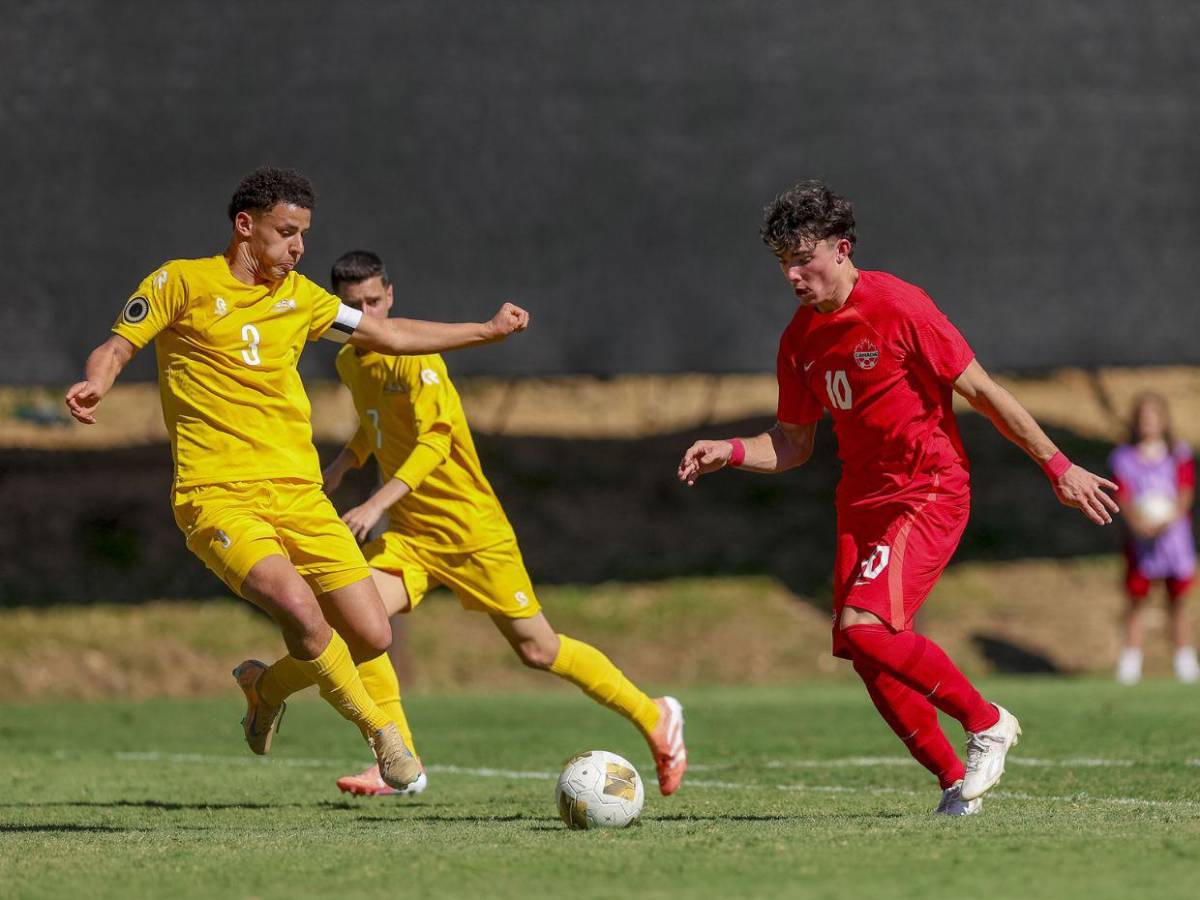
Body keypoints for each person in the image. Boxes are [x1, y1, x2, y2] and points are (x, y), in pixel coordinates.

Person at [65, 168, 529, 789]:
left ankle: (265, 686)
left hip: (299, 495)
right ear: (245, 226)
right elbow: (117, 345)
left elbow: (388, 333)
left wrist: (485, 331)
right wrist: (99, 381)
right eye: (287, 233)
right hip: (218, 497)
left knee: (371, 632)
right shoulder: (180, 282)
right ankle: (383, 737)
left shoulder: (303, 298)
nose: (298, 248)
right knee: (301, 612)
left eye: (304, 235)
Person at [677, 180, 1118, 815]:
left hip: (928, 489)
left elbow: (985, 392)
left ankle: (988, 720)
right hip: (861, 502)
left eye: (804, 260)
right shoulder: (798, 341)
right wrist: (733, 450)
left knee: (867, 626)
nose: (794, 276)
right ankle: (954, 789)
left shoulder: (900, 306)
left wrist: (1058, 465)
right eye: (784, 265)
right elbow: (793, 445)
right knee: (865, 650)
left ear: (842, 248)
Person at [320, 250, 687, 798]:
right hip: (414, 538)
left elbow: (434, 442)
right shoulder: (351, 361)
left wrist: (375, 504)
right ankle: (401, 763)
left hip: (472, 533)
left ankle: (654, 714)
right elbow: (377, 427)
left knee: (538, 650)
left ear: (391, 295)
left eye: (375, 301)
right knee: (357, 623)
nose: (368, 315)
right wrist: (342, 465)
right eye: (354, 307)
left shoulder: (418, 360)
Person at [1109, 393, 1197, 684]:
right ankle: (1130, 662)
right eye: (1143, 417)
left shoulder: (1178, 453)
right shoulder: (1123, 457)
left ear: (1164, 420)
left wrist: (1170, 518)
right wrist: (1138, 523)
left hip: (1175, 540)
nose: (1149, 423)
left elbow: (1185, 491)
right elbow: (1123, 493)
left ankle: (1184, 659)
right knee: (1137, 600)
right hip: (1141, 540)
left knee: (1179, 601)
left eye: (1154, 417)